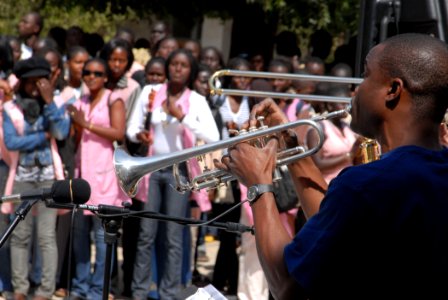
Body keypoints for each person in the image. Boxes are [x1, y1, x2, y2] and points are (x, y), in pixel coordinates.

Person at [216, 33, 448, 299]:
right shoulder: (430, 173)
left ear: (393, 90)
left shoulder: (366, 184)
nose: (355, 90)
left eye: (365, 75)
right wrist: (293, 149)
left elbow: (287, 286)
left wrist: (259, 184)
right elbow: (337, 228)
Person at [127, 49, 219, 300]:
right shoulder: (151, 92)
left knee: (173, 235)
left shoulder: (197, 100)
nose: (178, 69)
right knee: (146, 233)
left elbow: (214, 137)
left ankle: (169, 293)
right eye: (174, 64)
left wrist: (183, 117)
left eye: (184, 65)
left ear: (190, 71)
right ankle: (139, 291)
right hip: (152, 168)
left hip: (179, 171)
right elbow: (132, 128)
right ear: (168, 68)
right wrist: (140, 136)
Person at [2, 56, 70, 300]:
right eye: (30, 83)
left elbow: (61, 132)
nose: (35, 88)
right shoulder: (12, 109)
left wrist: (50, 102)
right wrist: (42, 137)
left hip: (48, 179)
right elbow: (11, 141)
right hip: (22, 178)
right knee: (19, 236)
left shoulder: (55, 104)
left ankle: (44, 290)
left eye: (39, 82)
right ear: (22, 83)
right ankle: (20, 289)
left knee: (46, 236)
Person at [66, 58, 127, 300]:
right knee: (80, 236)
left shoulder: (114, 98)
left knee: (102, 238)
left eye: (97, 73)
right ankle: (80, 287)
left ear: (105, 77)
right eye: (87, 72)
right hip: (83, 173)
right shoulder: (80, 100)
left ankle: (97, 290)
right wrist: (77, 126)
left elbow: (119, 132)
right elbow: (76, 135)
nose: (91, 76)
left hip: (105, 177)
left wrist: (85, 123)